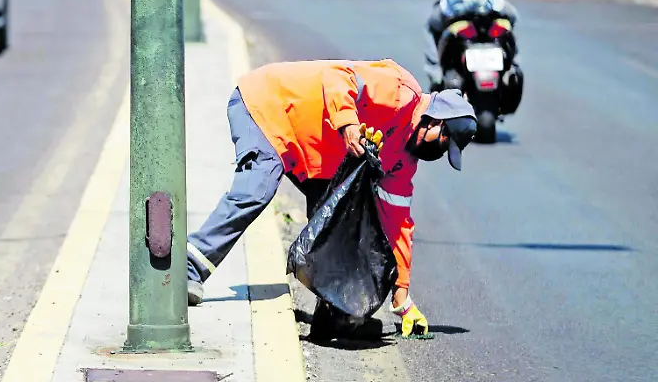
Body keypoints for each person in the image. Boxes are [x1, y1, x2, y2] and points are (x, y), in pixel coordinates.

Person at [185, 60, 477, 338]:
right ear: (435, 121)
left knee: (344, 217)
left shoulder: (404, 158)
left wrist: (402, 300)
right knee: (256, 190)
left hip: (307, 149)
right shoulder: (399, 90)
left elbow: (398, 223)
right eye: (443, 143)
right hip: (266, 106)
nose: (439, 153)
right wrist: (348, 124)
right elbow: (338, 75)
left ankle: (333, 312)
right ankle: (189, 266)